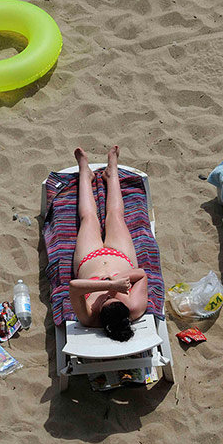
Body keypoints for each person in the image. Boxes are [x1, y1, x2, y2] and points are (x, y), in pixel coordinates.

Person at [68, 146, 148, 341]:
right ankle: (112, 172)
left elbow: (74, 287)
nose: (107, 296)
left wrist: (111, 284)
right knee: (116, 216)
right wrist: (119, 281)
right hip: (121, 256)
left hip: (89, 258)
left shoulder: (88, 317)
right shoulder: (135, 306)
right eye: (112, 298)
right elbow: (142, 274)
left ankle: (85, 173)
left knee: (88, 218)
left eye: (104, 300)